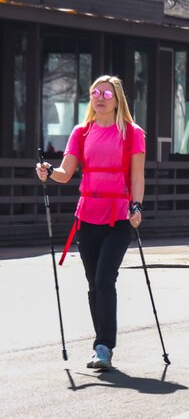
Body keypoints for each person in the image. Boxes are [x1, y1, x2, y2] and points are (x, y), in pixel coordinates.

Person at [35, 75, 146, 370]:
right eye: (95, 92)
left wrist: (136, 206)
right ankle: (102, 343)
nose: (99, 97)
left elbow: (137, 176)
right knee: (92, 283)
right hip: (87, 215)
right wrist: (47, 172)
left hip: (119, 215)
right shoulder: (82, 132)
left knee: (104, 278)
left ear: (117, 99)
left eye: (106, 94)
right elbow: (65, 173)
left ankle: (103, 346)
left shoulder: (133, 133)